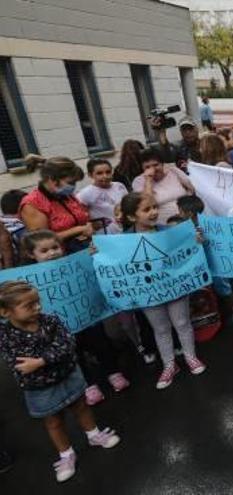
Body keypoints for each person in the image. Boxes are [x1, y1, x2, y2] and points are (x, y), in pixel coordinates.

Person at [0, 281, 121, 483]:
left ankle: (94, 434)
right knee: (53, 421)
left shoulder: (50, 320)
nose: (37, 308)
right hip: (39, 388)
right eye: (29, 305)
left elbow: (68, 343)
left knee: (81, 406)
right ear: (5, 312)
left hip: (68, 375)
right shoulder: (5, 336)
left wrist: (40, 361)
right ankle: (66, 454)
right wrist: (50, 355)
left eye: (38, 302)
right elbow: (18, 361)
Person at [20, 229, 130, 406]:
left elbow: (91, 267)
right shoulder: (27, 277)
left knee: (101, 344)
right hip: (61, 327)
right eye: (44, 251)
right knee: (74, 353)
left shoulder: (73, 262)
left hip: (88, 317)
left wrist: (91, 255)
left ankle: (114, 372)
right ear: (31, 254)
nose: (52, 253)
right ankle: (88, 384)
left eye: (55, 247)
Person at [119, 193, 206, 389]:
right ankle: (169, 365)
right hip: (148, 292)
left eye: (155, 207)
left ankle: (191, 356)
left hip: (174, 287)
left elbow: (187, 248)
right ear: (132, 217)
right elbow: (113, 260)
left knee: (182, 322)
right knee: (160, 328)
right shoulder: (121, 241)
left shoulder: (170, 231)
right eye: (147, 209)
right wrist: (98, 254)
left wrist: (196, 240)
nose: (153, 212)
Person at [19, 156, 92, 253]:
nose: (73, 186)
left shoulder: (66, 196)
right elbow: (41, 241)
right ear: (52, 179)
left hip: (84, 249)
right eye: (70, 182)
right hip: (58, 257)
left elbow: (82, 219)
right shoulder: (32, 203)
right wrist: (77, 230)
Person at [132, 148, 195, 225]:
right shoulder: (138, 181)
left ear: (162, 164)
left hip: (187, 219)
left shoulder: (173, 171)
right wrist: (148, 181)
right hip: (163, 225)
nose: (153, 169)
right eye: (147, 167)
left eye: (156, 165)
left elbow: (191, 189)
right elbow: (146, 204)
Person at [76, 158, 128, 235]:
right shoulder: (85, 193)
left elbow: (129, 206)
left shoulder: (119, 186)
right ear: (90, 175)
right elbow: (80, 217)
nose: (105, 176)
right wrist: (91, 224)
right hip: (104, 237)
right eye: (99, 173)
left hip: (127, 232)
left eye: (108, 172)